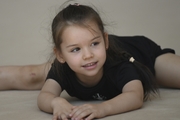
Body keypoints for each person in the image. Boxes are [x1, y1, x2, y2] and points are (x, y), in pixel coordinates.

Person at [0, 2, 180, 120]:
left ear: (105, 41)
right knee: (31, 75)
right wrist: (56, 102)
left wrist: (102, 109)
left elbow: (135, 95)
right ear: (60, 55)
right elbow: (45, 96)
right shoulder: (62, 68)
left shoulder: (118, 65)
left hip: (148, 59)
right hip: (76, 66)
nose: (88, 55)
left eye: (95, 43)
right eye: (76, 49)